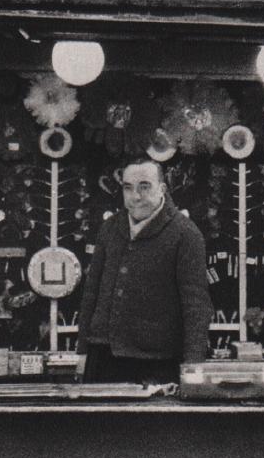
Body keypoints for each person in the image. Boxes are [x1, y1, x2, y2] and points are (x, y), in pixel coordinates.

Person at [78, 159, 212, 383]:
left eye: (144, 186)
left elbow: (196, 306)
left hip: (156, 363)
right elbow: (91, 293)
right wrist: (82, 350)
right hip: (102, 357)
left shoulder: (186, 234)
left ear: (162, 189)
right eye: (127, 187)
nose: (135, 196)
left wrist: (193, 367)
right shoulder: (109, 228)